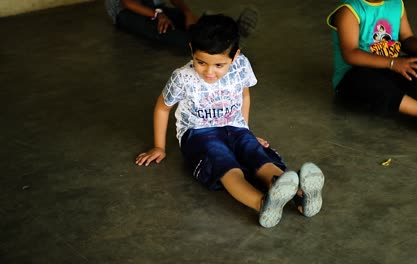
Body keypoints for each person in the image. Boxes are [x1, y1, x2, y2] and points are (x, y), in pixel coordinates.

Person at [135, 14, 325, 228]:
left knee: (255, 154)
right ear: (191, 50)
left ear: (235, 56)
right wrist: (159, 147)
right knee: (226, 166)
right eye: (201, 62)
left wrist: (246, 129)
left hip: (234, 126)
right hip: (198, 133)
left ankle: (300, 194)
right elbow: (163, 107)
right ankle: (262, 204)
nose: (209, 71)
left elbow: (244, 95)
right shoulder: (182, 77)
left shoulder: (241, 65)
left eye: (218, 65)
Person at [326, 0, 417, 138]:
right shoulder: (349, 10)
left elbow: (406, 39)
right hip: (354, 76)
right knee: (366, 80)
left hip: (391, 68)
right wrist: (393, 63)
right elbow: (351, 54)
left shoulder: (396, 4)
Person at [105, 0, 258, 50]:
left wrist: (187, 13)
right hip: (126, 12)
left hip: (155, 6)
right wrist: (158, 15)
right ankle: (222, 45)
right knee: (164, 30)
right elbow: (127, 3)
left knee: (186, 18)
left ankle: (232, 33)